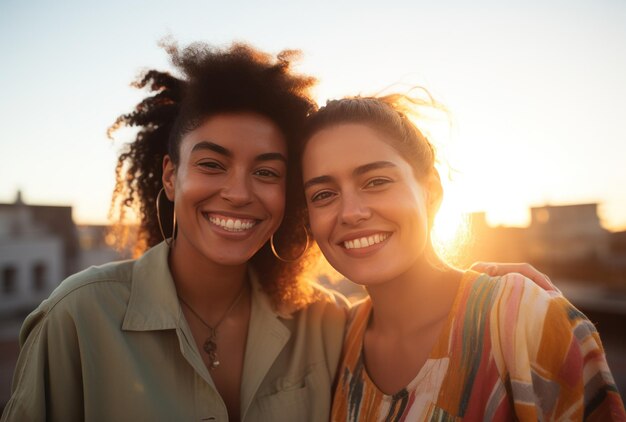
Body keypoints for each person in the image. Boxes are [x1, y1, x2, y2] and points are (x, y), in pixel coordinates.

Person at [1, 41, 556, 422]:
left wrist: (483, 289)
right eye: (212, 164)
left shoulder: (326, 325)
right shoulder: (76, 319)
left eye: (266, 172)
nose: (239, 192)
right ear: (171, 176)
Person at [300, 95, 626, 421]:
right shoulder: (339, 338)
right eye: (323, 194)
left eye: (376, 181)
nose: (351, 213)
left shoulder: (523, 319)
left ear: (431, 192)